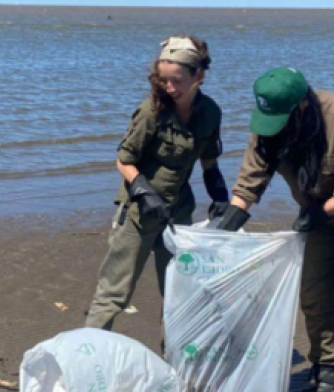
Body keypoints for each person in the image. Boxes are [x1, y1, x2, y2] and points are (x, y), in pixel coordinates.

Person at [216, 67, 334, 392]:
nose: (273, 126)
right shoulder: (268, 124)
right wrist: (230, 220)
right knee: (314, 297)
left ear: (302, 105)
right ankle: (326, 375)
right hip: (317, 214)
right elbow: (251, 178)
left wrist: (320, 213)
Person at [85, 35, 230, 331]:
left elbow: (209, 162)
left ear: (198, 76)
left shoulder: (210, 112)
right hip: (138, 213)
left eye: (177, 80)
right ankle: (88, 350)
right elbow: (124, 160)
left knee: (178, 293)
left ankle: (175, 354)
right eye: (163, 81)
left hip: (178, 214)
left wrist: (219, 196)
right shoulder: (150, 111)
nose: (170, 88)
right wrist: (143, 191)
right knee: (113, 293)